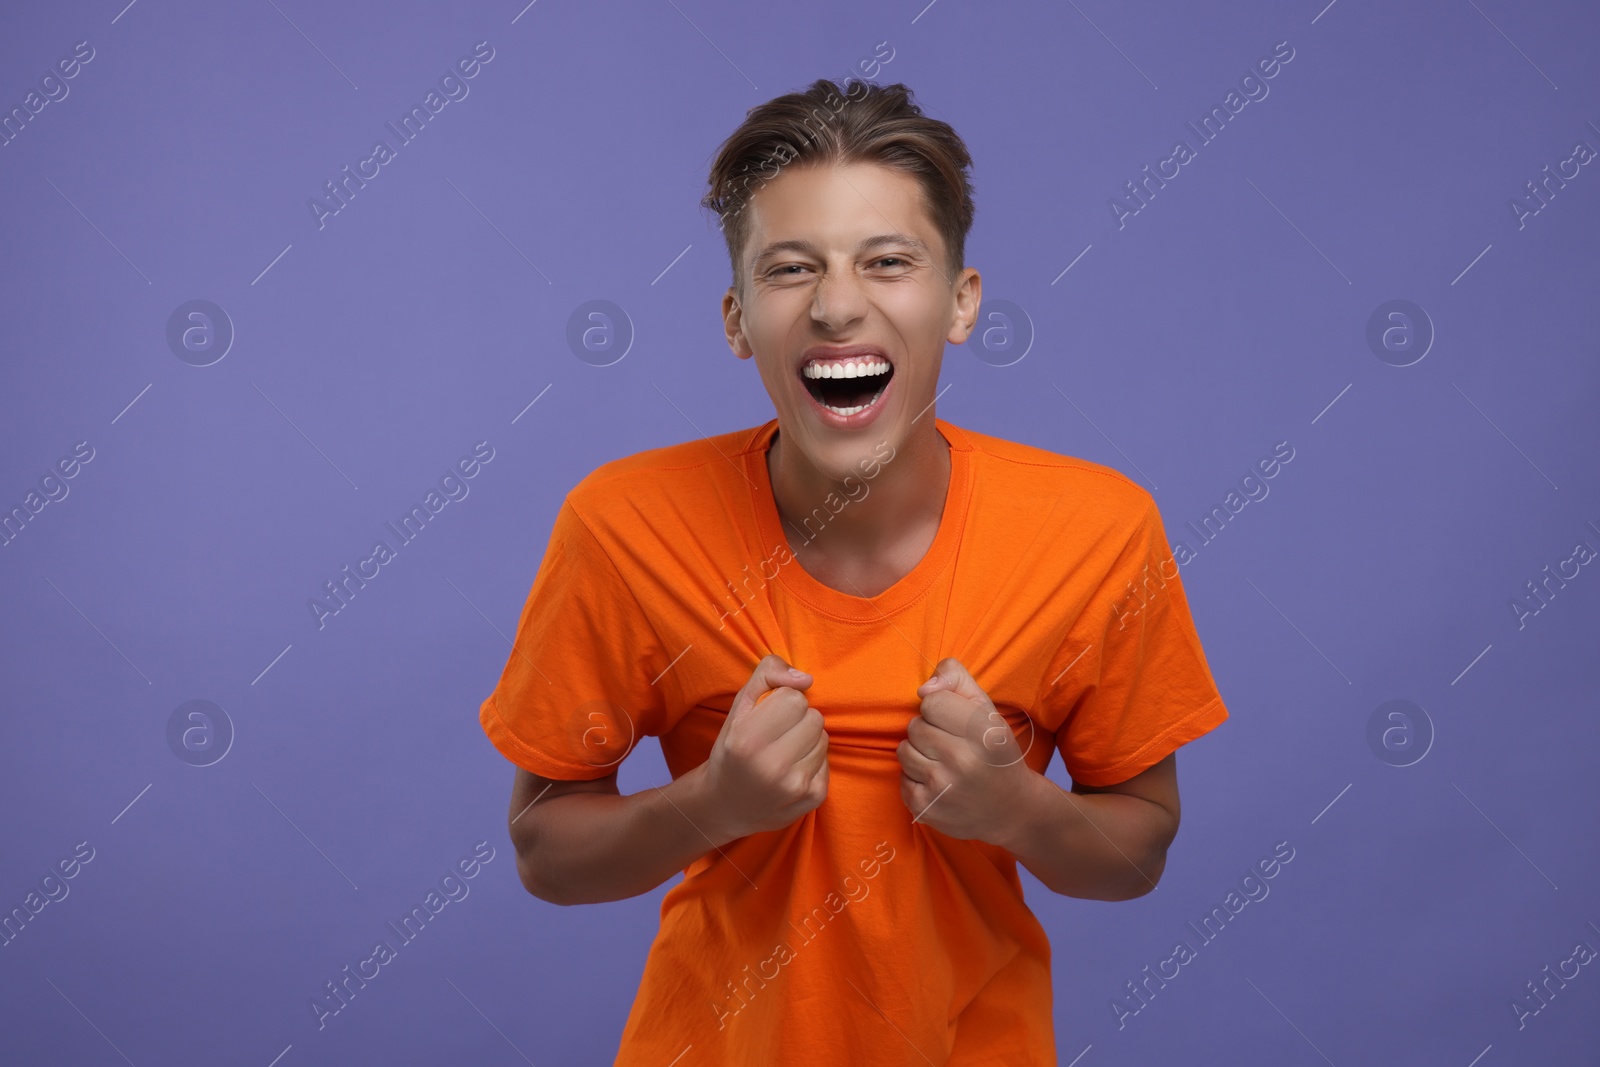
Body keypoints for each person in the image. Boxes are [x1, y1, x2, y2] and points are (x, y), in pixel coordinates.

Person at [478, 77, 1228, 1066]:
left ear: (960, 302)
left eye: (887, 261)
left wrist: (1018, 808)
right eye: (790, 269)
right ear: (738, 318)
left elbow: (1139, 848)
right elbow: (543, 849)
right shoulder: (623, 524)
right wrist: (710, 803)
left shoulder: (1097, 530)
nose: (837, 305)